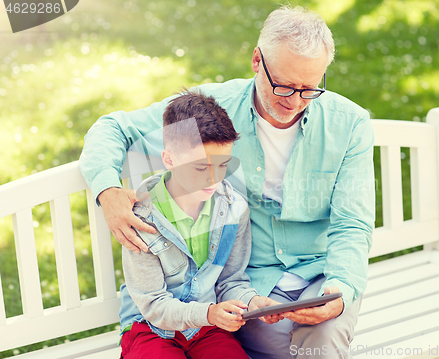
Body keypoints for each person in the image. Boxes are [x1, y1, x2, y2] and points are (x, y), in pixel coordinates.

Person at [80, 5, 375, 359]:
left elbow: (352, 224)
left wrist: (340, 290)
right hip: (247, 287)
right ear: (256, 60)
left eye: (309, 89)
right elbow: (113, 127)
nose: (295, 101)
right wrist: (107, 192)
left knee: (322, 346)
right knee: (281, 348)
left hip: (321, 274)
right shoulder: (210, 114)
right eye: (283, 85)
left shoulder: (350, 124)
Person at [119, 90, 280, 359]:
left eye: (223, 165)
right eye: (199, 168)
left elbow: (231, 280)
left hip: (206, 327)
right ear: (169, 160)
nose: (214, 179)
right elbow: (154, 306)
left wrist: (253, 302)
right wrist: (207, 313)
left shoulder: (233, 209)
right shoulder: (139, 219)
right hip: (150, 328)